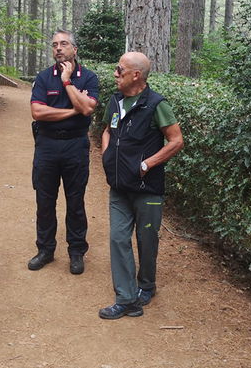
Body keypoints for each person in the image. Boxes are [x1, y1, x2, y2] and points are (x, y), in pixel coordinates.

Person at [98, 51, 184, 319]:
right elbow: (106, 131)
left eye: (119, 69)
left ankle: (146, 284)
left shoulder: (156, 104)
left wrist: (146, 164)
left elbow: (176, 140)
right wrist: (106, 154)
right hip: (119, 187)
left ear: (136, 75)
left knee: (147, 240)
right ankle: (125, 297)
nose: (115, 74)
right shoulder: (114, 100)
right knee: (117, 238)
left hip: (147, 189)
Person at [28, 29, 99, 274]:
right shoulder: (44, 77)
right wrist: (72, 111)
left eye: (64, 44)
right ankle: (45, 249)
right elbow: (38, 112)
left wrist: (67, 81)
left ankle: (76, 251)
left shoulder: (88, 78)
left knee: (75, 200)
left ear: (74, 49)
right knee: (44, 200)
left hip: (75, 145)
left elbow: (88, 109)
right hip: (46, 145)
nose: (58, 48)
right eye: (55, 44)